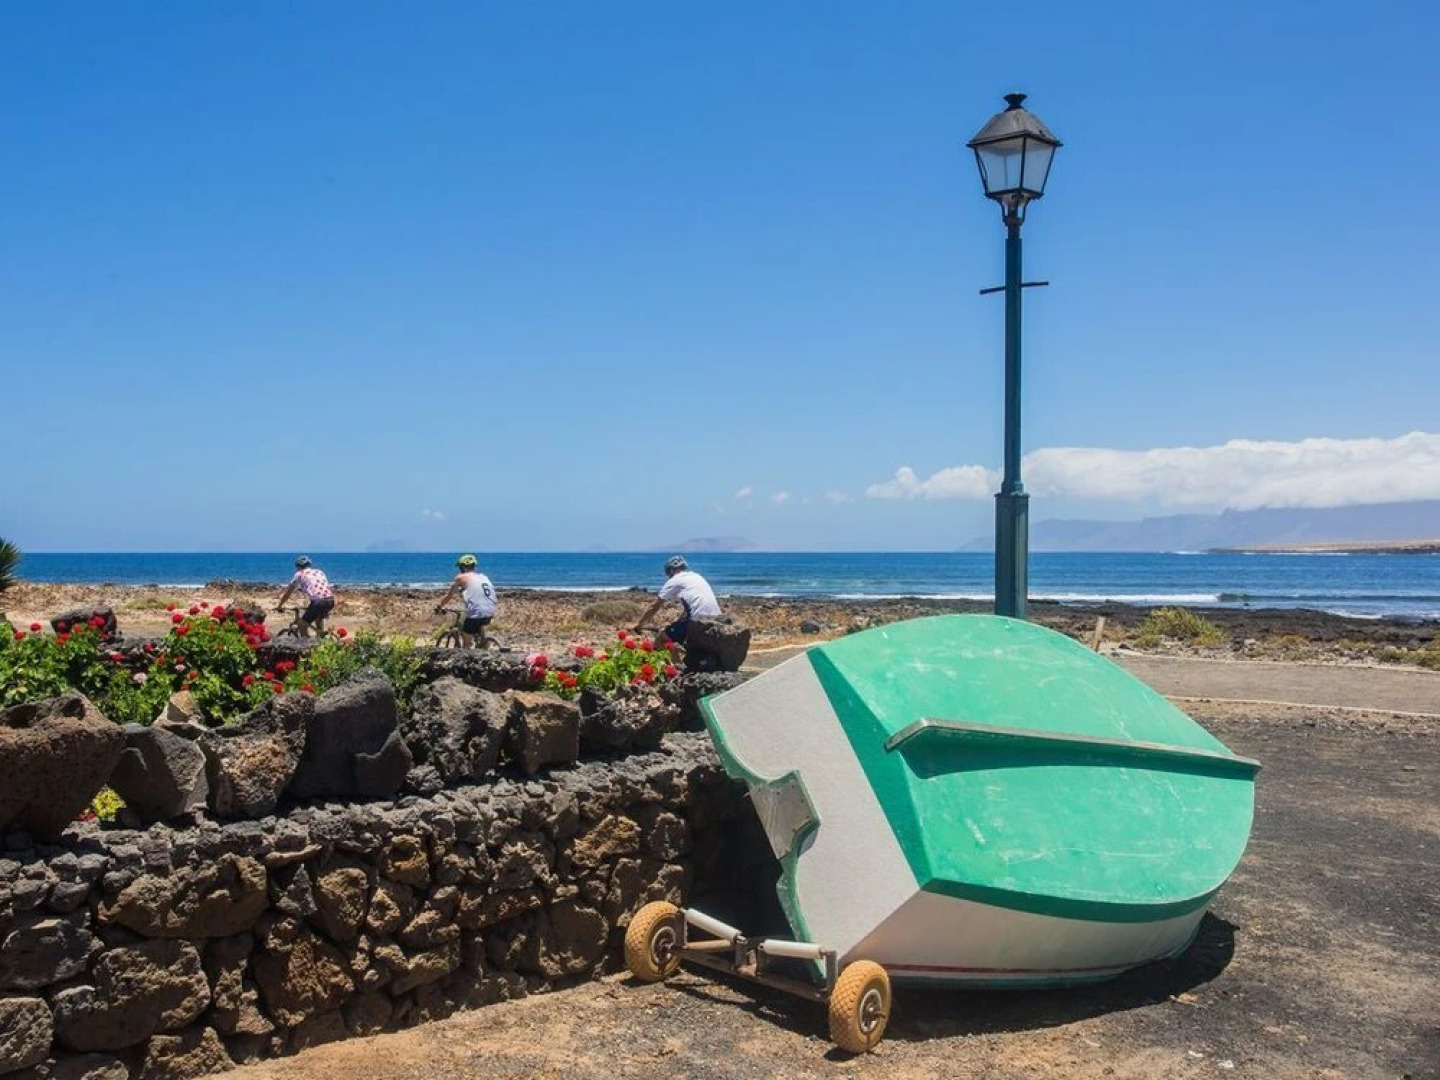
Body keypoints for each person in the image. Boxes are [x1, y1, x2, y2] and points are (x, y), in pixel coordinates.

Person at [634, 555, 720, 646]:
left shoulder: (674, 580)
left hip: (698, 622)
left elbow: (654, 607)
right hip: (716, 618)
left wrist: (639, 625)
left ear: (671, 570)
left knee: (662, 635)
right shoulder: (697, 576)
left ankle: (675, 661)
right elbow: (690, 608)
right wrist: (677, 623)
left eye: (668, 574)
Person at [434, 554, 499, 648]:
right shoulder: (484, 576)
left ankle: (467, 651)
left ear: (463, 567)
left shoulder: (460, 577)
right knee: (478, 625)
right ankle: (484, 643)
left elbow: (449, 596)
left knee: (466, 638)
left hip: (476, 612)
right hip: (490, 611)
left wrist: (440, 606)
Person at [276, 555, 335, 637]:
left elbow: (288, 593)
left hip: (318, 602)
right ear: (309, 564)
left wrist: (279, 606)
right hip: (330, 600)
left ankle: (307, 647)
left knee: (302, 625)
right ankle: (320, 638)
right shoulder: (319, 571)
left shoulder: (299, 574)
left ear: (298, 567)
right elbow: (318, 586)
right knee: (318, 618)